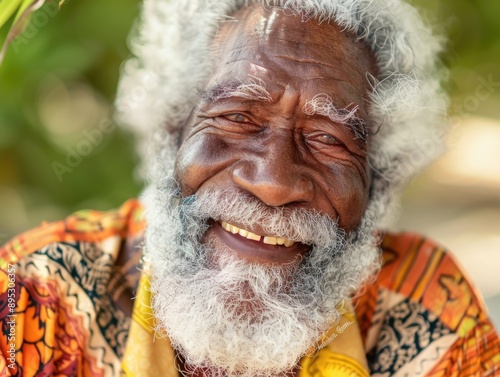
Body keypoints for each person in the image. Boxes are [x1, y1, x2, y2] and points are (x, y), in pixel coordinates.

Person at [1, 0, 499, 376]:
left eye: (328, 139)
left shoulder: (428, 311)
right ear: (170, 131)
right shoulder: (31, 301)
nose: (274, 182)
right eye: (237, 117)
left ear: (380, 180)